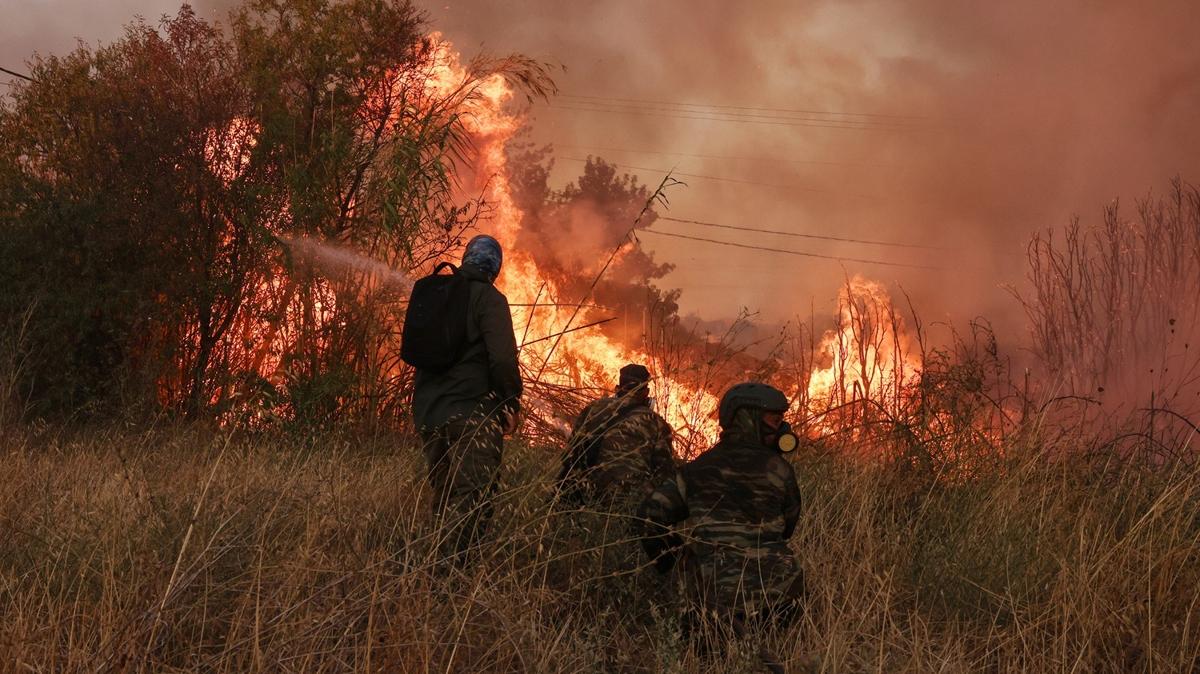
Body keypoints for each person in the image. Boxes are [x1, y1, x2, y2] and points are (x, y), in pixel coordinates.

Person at [638, 382, 805, 637]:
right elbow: (788, 527)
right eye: (775, 420)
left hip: (713, 603)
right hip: (780, 600)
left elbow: (648, 517)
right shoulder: (780, 471)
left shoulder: (696, 470)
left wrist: (675, 561)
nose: (781, 429)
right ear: (749, 419)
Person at [412, 234, 522, 561]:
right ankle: (452, 582)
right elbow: (502, 360)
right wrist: (510, 401)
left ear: (466, 259)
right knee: (472, 500)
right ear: (495, 269)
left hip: (429, 414)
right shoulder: (489, 299)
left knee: (443, 496)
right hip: (472, 415)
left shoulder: (438, 293)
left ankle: (431, 576)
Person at [559, 363, 677, 511]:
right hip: (629, 504)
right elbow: (664, 473)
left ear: (617, 388)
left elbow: (572, 451)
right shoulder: (656, 422)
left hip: (585, 495)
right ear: (645, 393)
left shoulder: (593, 408)